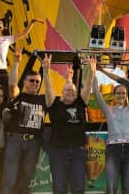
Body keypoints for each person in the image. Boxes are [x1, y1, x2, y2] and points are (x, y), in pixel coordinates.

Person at [42, 54, 93, 194]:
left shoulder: (80, 103)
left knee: (78, 188)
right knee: (59, 187)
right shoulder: (54, 104)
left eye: (73, 90)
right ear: (61, 93)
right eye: (67, 90)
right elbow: (48, 89)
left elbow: (88, 87)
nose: (70, 91)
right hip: (59, 151)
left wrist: (91, 72)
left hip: (78, 151)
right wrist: (46, 71)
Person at [2, 47, 46, 194]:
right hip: (15, 140)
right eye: (32, 80)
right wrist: (16, 63)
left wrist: (46, 69)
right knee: (10, 177)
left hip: (34, 142)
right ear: (25, 82)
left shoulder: (43, 99)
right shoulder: (19, 96)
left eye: (38, 81)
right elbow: (12, 85)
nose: (35, 83)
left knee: (26, 177)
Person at [92, 58, 129, 194]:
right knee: (111, 188)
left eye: (123, 93)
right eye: (118, 93)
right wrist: (93, 71)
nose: (121, 95)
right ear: (114, 95)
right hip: (113, 149)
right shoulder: (108, 109)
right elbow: (96, 92)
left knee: (128, 189)